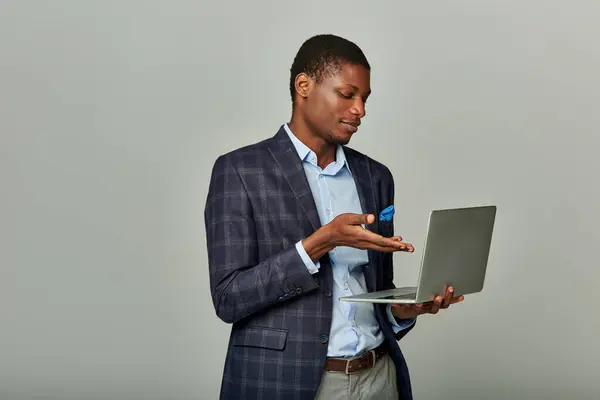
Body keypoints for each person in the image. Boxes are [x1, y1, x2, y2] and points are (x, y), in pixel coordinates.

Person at [204, 33, 464, 400]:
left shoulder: (375, 177)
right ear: (304, 85)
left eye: (365, 99)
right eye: (347, 94)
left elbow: (371, 291)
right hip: (289, 384)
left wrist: (403, 310)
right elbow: (229, 298)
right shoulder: (240, 171)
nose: (360, 110)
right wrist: (321, 242)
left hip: (378, 376)